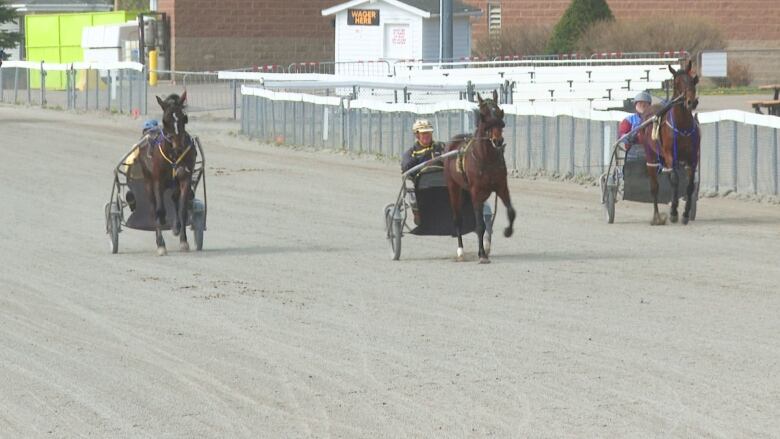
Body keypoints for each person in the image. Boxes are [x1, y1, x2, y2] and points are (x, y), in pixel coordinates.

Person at [401, 119, 445, 225]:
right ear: (417, 135)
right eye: (424, 133)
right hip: (422, 182)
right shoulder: (412, 152)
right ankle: (418, 214)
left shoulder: (441, 147)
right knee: (413, 193)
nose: (427, 135)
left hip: (443, 180)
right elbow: (406, 167)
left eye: (429, 133)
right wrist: (422, 157)